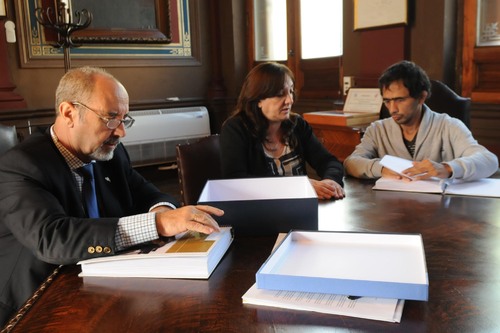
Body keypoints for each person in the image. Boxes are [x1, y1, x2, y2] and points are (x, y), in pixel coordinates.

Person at [0, 66, 223, 326]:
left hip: (101, 286)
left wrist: (162, 211)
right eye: (110, 118)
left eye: (124, 119)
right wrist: (159, 224)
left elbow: (146, 193)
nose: (121, 132)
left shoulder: (109, 154)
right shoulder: (21, 165)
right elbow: (53, 238)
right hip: (36, 302)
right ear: (69, 112)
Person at [344, 60, 498, 181]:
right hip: (392, 209)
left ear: (421, 97)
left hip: (442, 213)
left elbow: (489, 160)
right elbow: (351, 162)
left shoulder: (449, 125)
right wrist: (381, 169)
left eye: (399, 100)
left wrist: (447, 168)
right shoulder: (377, 129)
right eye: (387, 101)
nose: (392, 109)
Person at [220, 62, 345, 200]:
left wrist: (330, 182)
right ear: (258, 99)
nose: (290, 100)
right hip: (259, 213)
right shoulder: (235, 129)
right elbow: (237, 182)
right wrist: (298, 186)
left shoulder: (297, 124)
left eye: (291, 91)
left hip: (299, 210)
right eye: (280, 94)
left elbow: (329, 162)